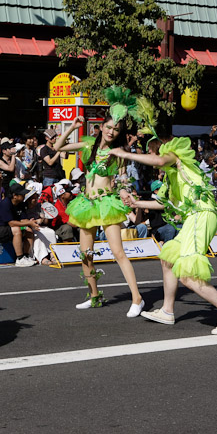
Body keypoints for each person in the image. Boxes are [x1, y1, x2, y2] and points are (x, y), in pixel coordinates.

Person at [111, 132, 217, 335]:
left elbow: (158, 159)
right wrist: (136, 203)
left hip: (201, 215)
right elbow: (163, 203)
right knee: (168, 256)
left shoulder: (175, 157)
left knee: (188, 275)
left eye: (150, 151)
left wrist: (125, 154)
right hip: (194, 217)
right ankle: (167, 310)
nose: (150, 157)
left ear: (160, 149)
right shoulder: (172, 175)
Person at [54, 94, 143, 317]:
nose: (111, 132)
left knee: (118, 252)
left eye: (116, 129)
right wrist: (72, 126)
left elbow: (123, 179)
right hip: (86, 204)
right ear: (101, 126)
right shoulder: (88, 144)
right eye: (109, 127)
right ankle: (94, 297)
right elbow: (58, 146)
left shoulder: (119, 153)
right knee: (86, 254)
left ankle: (137, 298)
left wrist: (124, 191)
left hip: (107, 203)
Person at [0, 182, 37, 267]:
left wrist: (32, 223)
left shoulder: (20, 204)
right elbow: (11, 223)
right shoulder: (5, 204)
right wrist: (28, 223)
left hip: (8, 228)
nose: (24, 195)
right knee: (16, 229)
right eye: (22, 194)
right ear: (14, 195)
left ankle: (26, 256)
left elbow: (23, 219)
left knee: (29, 230)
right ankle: (19, 258)